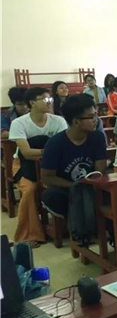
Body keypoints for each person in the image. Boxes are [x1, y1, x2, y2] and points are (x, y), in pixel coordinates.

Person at [40, 94, 107, 243]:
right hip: (65, 187)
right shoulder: (55, 143)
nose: (96, 119)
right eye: (91, 117)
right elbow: (46, 177)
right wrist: (74, 185)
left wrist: (88, 184)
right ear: (76, 121)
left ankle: (101, 232)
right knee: (56, 195)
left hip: (92, 185)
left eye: (95, 114)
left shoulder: (97, 137)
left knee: (106, 193)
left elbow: (100, 169)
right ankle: (81, 232)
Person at [9, 87, 68, 246]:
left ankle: (70, 225)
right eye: (45, 99)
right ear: (32, 102)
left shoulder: (58, 121)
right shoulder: (19, 123)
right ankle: (29, 235)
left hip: (53, 164)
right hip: (23, 164)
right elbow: (27, 153)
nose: (49, 102)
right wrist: (49, 150)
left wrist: (47, 153)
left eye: (50, 99)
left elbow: (63, 148)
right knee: (30, 190)